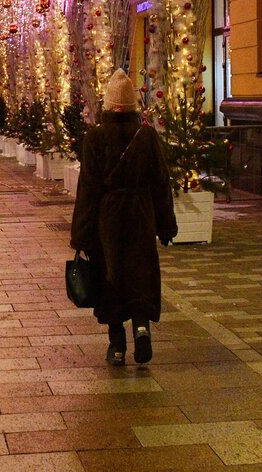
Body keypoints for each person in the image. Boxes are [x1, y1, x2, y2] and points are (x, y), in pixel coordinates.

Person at [70, 68, 177, 366]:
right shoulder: (146, 136)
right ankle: (141, 327)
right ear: (133, 106)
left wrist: (80, 234)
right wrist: (166, 225)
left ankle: (117, 345)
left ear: (107, 104)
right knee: (140, 272)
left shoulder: (94, 138)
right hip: (141, 214)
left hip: (108, 218)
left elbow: (88, 189)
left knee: (110, 277)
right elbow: (160, 183)